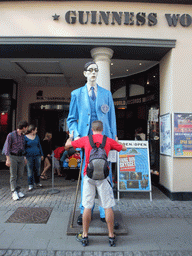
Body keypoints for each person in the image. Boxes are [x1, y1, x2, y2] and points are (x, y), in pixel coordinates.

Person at [67, 61, 117, 225]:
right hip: (86, 141)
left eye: (96, 70)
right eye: (90, 70)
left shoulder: (106, 94)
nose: (93, 73)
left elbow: (111, 118)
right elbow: (72, 119)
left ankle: (104, 211)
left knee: (105, 174)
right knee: (86, 174)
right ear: (85, 73)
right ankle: (85, 210)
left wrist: (114, 136)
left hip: (104, 141)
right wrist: (75, 134)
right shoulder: (76, 94)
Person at [65, 120, 126, 247]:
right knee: (107, 206)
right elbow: (123, 148)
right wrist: (117, 140)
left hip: (89, 176)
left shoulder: (86, 139)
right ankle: (111, 236)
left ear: (92, 129)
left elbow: (67, 146)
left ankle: (85, 235)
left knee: (87, 206)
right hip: (104, 177)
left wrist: (70, 136)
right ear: (102, 129)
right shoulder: (108, 140)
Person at [3, 120, 28, 201]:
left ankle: (18, 189)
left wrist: (24, 157)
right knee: (13, 174)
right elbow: (7, 147)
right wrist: (7, 159)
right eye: (26, 128)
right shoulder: (11, 135)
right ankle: (13, 191)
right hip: (13, 156)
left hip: (21, 157)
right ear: (23, 127)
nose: (27, 129)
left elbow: (23, 148)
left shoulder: (23, 136)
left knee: (20, 174)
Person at [24, 124, 44, 191]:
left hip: (37, 155)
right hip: (29, 156)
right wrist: (24, 156)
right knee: (30, 170)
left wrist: (41, 154)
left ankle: (37, 182)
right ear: (32, 130)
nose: (36, 131)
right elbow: (24, 147)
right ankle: (30, 184)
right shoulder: (25, 137)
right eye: (35, 130)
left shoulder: (37, 136)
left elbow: (39, 145)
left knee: (37, 170)